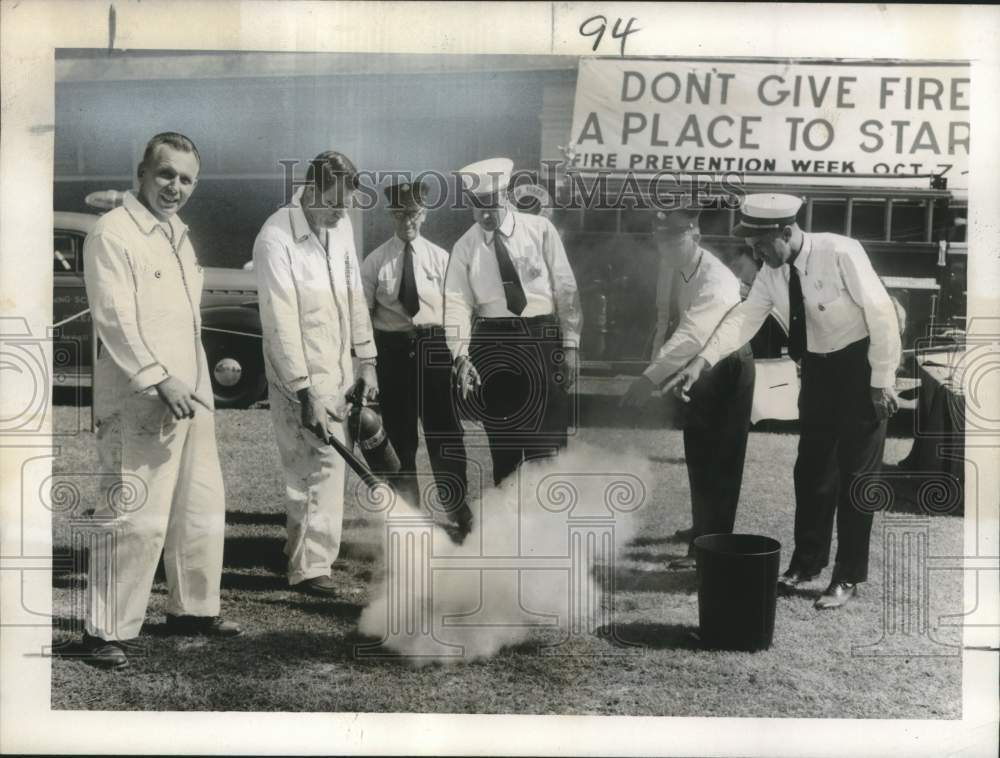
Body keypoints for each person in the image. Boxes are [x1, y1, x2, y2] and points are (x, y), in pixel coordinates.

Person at [667, 193, 901, 610]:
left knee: (855, 477)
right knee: (811, 472)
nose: (755, 254)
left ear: (787, 232)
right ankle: (805, 564)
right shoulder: (772, 272)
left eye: (760, 245)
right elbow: (742, 320)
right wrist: (701, 361)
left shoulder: (840, 251)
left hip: (861, 370)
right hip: (817, 371)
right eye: (751, 247)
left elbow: (881, 314)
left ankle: (847, 576)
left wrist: (881, 380)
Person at [81, 132, 241, 670]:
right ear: (142, 174)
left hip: (191, 394)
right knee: (135, 516)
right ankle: (106, 629)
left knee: (199, 506)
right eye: (166, 174)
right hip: (140, 396)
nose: (176, 187)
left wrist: (192, 382)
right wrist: (158, 378)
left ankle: (193, 610)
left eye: (187, 179)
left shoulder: (178, 233)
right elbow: (115, 319)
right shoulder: (113, 232)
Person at [253, 151, 378, 597]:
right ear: (310, 189)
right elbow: (279, 323)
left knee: (331, 466)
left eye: (346, 207)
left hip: (339, 365)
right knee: (313, 463)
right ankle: (308, 568)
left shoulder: (339, 225)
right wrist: (303, 390)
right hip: (297, 373)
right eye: (333, 204)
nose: (340, 215)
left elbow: (353, 293)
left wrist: (367, 360)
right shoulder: (275, 238)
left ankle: (313, 554)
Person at [621, 207, 755, 569]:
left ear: (694, 236)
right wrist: (657, 371)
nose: (664, 248)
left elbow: (693, 331)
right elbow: (665, 318)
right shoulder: (673, 267)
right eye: (660, 241)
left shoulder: (717, 278)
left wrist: (649, 378)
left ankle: (709, 546)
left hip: (727, 364)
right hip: (697, 366)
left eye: (673, 240)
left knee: (721, 460)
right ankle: (702, 528)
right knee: (698, 452)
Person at [445, 158, 582, 489]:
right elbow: (456, 302)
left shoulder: (540, 230)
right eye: (478, 207)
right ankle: (507, 533)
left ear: (506, 195)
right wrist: (461, 355)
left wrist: (571, 344)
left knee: (547, 445)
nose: (486, 215)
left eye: (491, 204)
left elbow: (567, 290)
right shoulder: (465, 246)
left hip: (542, 339)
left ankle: (549, 531)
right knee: (504, 447)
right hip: (493, 344)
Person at [361, 179, 472, 541]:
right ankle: (408, 513)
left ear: (423, 214)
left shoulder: (442, 259)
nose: (405, 220)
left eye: (412, 213)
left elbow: (455, 310)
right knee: (400, 436)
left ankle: (458, 509)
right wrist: (367, 364)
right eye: (398, 213)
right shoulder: (376, 261)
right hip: (392, 354)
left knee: (445, 433)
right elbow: (362, 314)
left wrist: (459, 356)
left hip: (434, 350)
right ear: (390, 215)